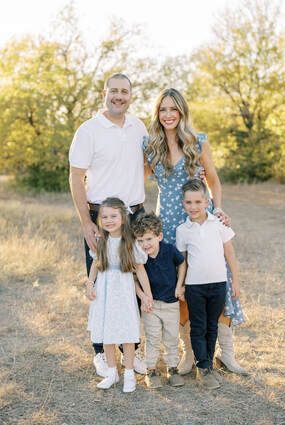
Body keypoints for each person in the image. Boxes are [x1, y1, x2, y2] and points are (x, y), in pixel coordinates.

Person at [143, 88, 246, 375]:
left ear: (182, 112)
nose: (168, 115)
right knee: (183, 286)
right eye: (163, 109)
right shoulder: (150, 146)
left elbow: (214, 180)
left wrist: (219, 209)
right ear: (157, 113)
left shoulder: (197, 141)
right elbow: (135, 179)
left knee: (217, 278)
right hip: (171, 225)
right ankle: (189, 352)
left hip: (201, 217)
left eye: (173, 109)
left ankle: (227, 353)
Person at [69, 73, 148, 377]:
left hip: (136, 214)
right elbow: (76, 177)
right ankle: (102, 353)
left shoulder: (138, 126)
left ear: (131, 95)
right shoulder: (88, 130)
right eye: (113, 91)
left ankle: (132, 352)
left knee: (134, 283)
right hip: (101, 216)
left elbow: (144, 165)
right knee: (102, 284)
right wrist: (87, 222)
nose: (119, 96)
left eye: (124, 91)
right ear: (104, 93)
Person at [176, 179, 240, 389]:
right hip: (195, 286)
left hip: (219, 284)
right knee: (199, 326)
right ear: (183, 203)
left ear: (206, 202)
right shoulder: (183, 230)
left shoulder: (219, 224)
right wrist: (181, 285)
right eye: (188, 202)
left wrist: (235, 283)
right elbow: (183, 261)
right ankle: (202, 367)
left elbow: (229, 253)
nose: (193, 207)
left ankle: (208, 364)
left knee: (212, 326)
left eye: (197, 201)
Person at [86, 198, 153, 392]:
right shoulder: (101, 240)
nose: (109, 220)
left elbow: (140, 270)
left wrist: (146, 294)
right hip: (104, 293)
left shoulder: (130, 241)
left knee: (126, 332)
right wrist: (90, 284)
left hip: (123, 292)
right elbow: (95, 265)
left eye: (113, 216)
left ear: (123, 218)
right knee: (107, 334)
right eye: (104, 216)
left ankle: (129, 373)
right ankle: (112, 372)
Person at [133, 213, 186, 389]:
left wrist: (180, 286)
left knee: (172, 337)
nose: (144, 244)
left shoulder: (169, 250)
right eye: (140, 240)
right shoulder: (139, 256)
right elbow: (133, 279)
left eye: (148, 239)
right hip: (151, 305)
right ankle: (152, 370)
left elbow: (182, 264)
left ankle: (172, 368)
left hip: (171, 303)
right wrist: (143, 296)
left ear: (159, 236)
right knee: (153, 338)